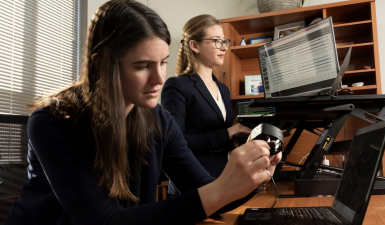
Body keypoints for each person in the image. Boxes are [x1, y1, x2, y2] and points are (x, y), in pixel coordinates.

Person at [4, 1, 281, 225]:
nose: (159, 78)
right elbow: (106, 221)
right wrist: (221, 190)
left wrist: (253, 177)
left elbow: (205, 189)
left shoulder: (159, 120)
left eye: (162, 62)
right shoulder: (53, 121)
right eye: (142, 66)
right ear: (102, 64)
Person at [161, 15, 252, 191]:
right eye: (216, 41)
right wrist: (229, 133)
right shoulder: (177, 85)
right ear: (194, 45)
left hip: (225, 176)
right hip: (193, 180)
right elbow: (175, 142)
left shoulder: (223, 89)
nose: (224, 47)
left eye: (224, 40)